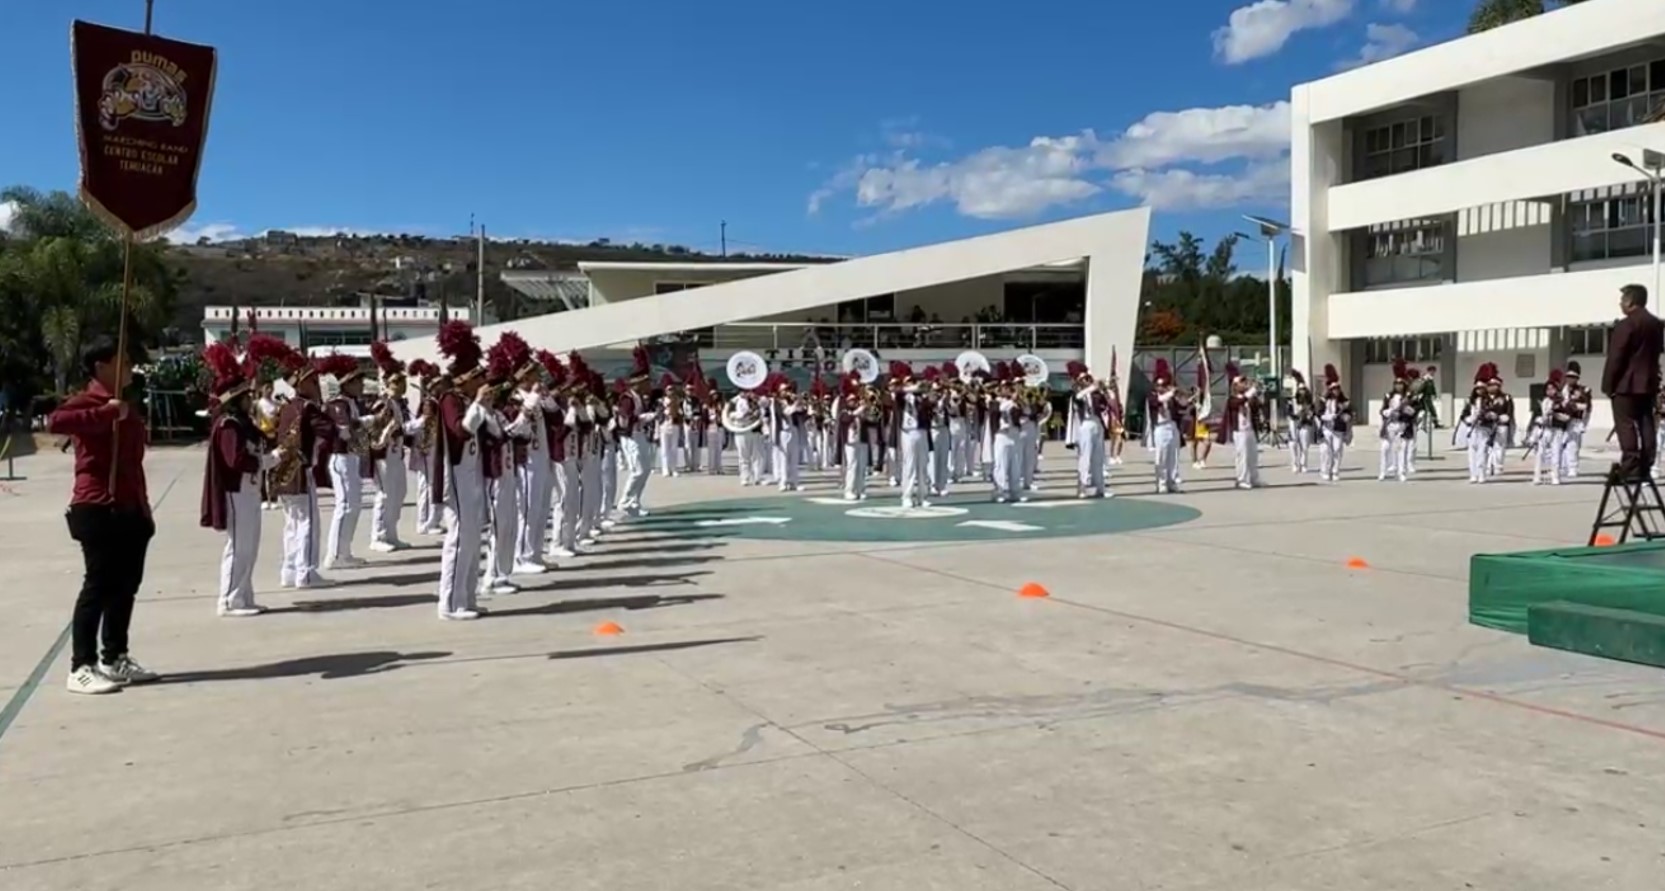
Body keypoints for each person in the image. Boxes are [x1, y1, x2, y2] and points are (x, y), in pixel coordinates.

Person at [47, 337, 160, 694]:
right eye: (122, 361)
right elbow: (57, 421)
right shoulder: (90, 401)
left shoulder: (126, 404)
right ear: (101, 366)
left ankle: (115, 656)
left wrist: (143, 509)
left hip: (130, 507)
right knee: (98, 585)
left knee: (126, 587)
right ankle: (81, 665)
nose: (128, 367)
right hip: (97, 506)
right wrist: (105, 413)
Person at [434, 321, 490, 620]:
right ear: (464, 378)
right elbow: (460, 431)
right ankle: (449, 603)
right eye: (477, 376)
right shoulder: (450, 400)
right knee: (458, 539)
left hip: (472, 473)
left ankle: (466, 597)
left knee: (472, 537)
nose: (482, 381)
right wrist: (478, 405)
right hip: (455, 475)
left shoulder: (466, 400)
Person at [271, 353, 338, 589]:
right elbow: (330, 429)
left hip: (283, 472)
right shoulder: (308, 407)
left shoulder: (288, 407)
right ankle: (307, 572)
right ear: (300, 383)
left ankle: (289, 570)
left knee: (291, 524)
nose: (316, 385)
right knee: (308, 522)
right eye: (312, 381)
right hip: (300, 472)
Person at [1604, 283, 1665, 482]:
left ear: (1630, 301)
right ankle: (1646, 463)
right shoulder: (1656, 324)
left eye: (1623, 300)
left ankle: (1630, 466)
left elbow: (1616, 357)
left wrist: (1608, 384)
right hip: (1647, 383)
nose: (1620, 304)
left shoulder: (1626, 324)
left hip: (1626, 384)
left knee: (1626, 424)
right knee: (1646, 422)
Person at [367, 342, 418, 552]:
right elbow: (378, 431)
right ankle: (377, 536)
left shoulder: (400, 404)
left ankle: (391, 533)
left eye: (403, 380)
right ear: (387, 384)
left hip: (397, 455)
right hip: (384, 456)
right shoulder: (383, 404)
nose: (401, 384)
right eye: (396, 381)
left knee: (399, 493)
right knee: (385, 495)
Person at [319, 354, 367, 569]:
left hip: (352, 457)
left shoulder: (350, 403)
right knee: (346, 506)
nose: (362, 385)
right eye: (358, 381)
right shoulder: (338, 404)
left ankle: (344, 552)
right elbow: (344, 432)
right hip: (342, 458)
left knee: (354, 506)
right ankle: (334, 555)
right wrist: (366, 423)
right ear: (346, 383)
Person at [1065, 360, 1110, 499]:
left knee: (1099, 457)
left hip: (1097, 424)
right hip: (1085, 425)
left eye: (1088, 378)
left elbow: (1106, 404)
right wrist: (1090, 388)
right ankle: (1082, 487)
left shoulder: (1094, 393)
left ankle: (1100, 488)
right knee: (1085, 457)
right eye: (1084, 379)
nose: (1088, 381)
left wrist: (1103, 390)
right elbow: (1077, 398)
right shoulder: (1076, 391)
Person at [1318, 364, 1352, 482]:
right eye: (1334, 389)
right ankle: (1325, 471)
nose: (1336, 391)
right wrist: (1328, 417)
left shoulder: (1345, 401)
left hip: (1338, 429)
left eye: (1338, 389)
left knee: (1337, 450)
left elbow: (1349, 414)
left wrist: (1346, 418)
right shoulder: (1323, 400)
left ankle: (1335, 471)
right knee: (1326, 451)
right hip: (1326, 428)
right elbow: (1318, 414)